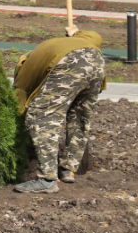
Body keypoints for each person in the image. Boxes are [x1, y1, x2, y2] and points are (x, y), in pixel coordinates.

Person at [12, 25, 106, 194]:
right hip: (97, 62)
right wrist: (75, 33)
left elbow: (21, 97)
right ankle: (68, 169)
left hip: (68, 63)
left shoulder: (25, 66)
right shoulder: (83, 38)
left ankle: (47, 179)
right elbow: (96, 37)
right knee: (80, 116)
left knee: (43, 115)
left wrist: (20, 122)